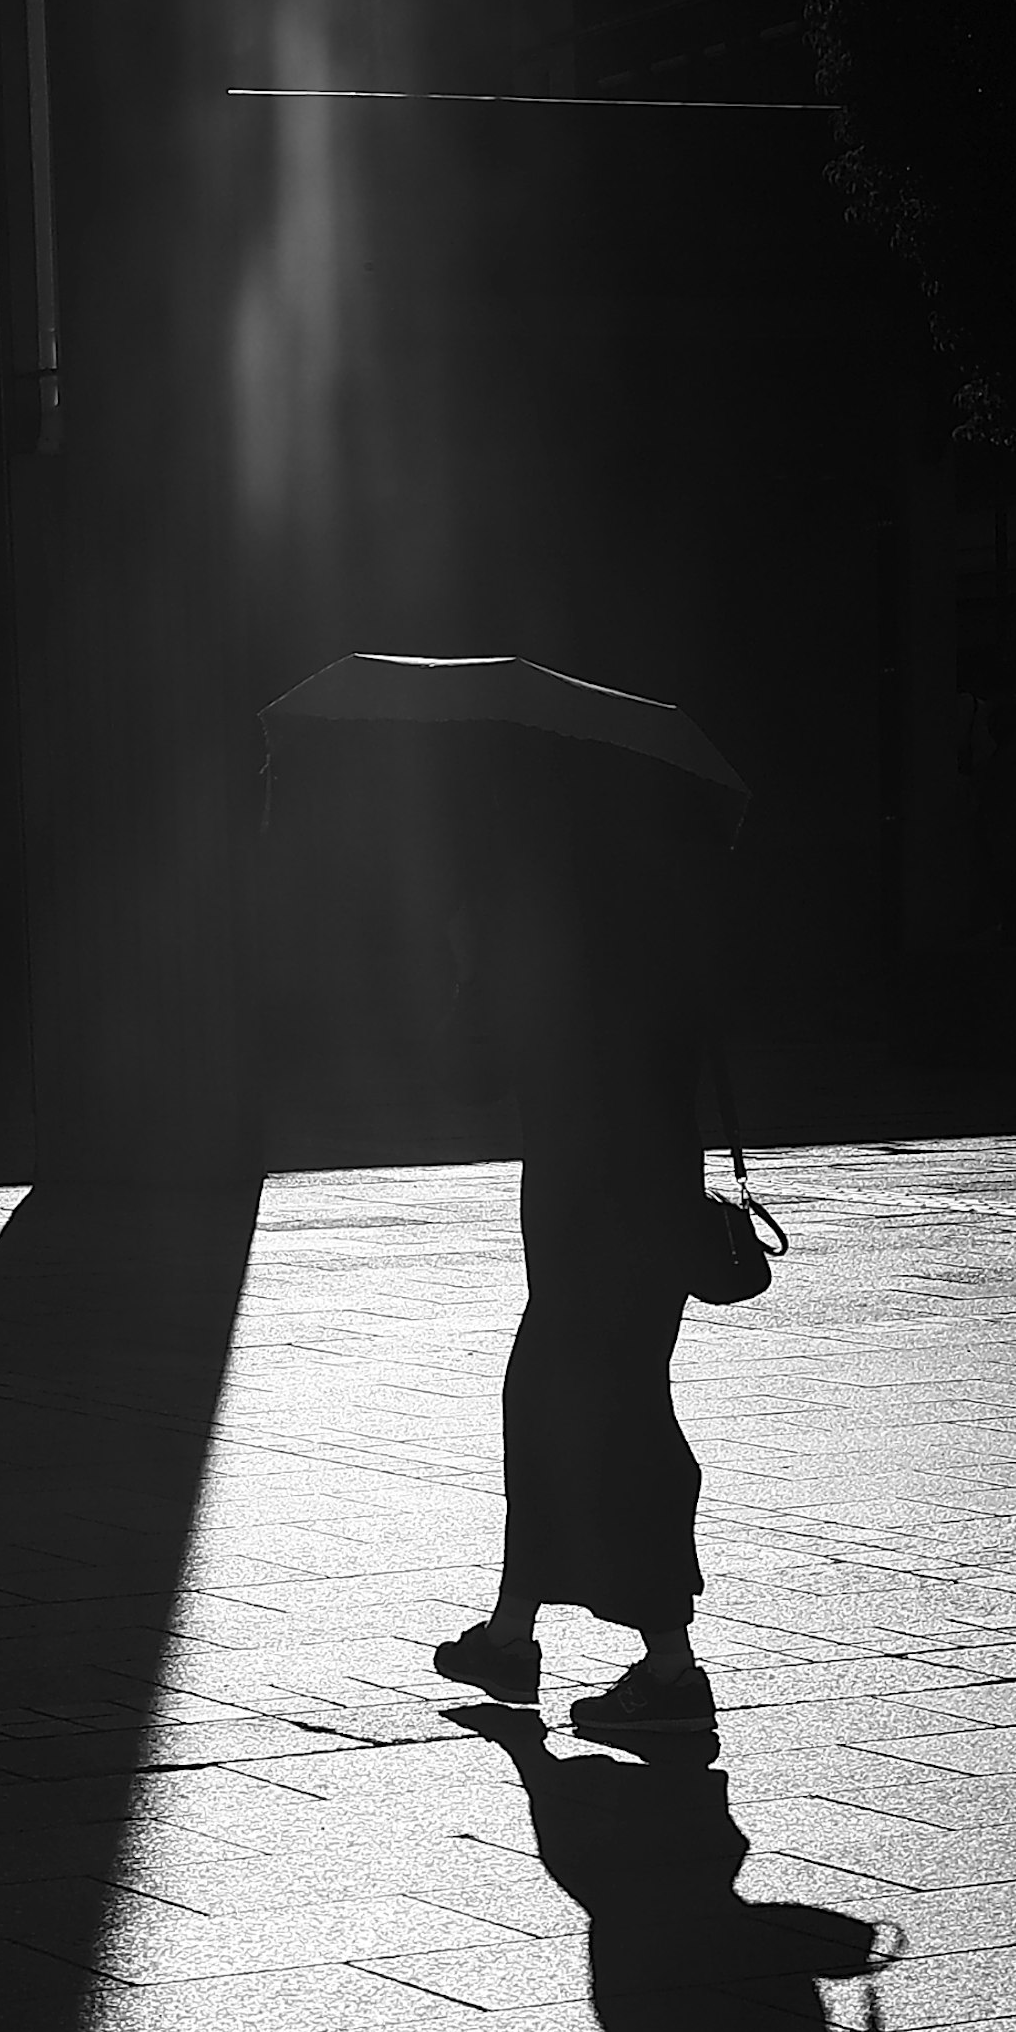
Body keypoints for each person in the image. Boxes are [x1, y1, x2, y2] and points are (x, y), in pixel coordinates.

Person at [432, 738, 723, 1746]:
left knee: (613, 1424)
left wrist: (473, 961)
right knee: (566, 1409)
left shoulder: (557, 929)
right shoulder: (663, 918)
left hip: (590, 1224)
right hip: (646, 1218)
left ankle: (670, 1665)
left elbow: (472, 1072)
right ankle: (513, 1632)